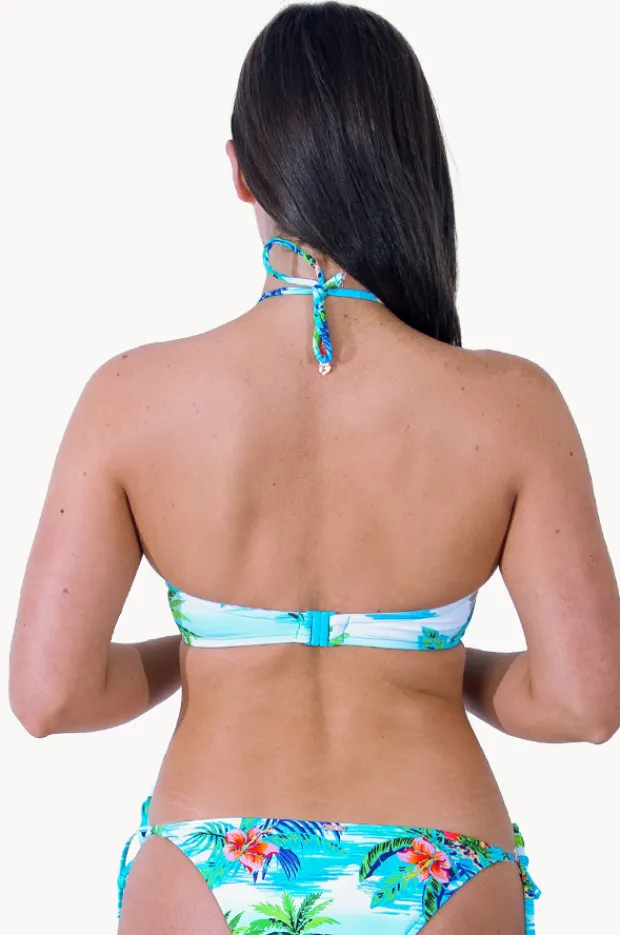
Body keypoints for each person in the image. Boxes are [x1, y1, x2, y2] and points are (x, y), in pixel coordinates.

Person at [9, 2, 620, 933]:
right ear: (411, 162)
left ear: (240, 171)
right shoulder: (512, 405)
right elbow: (585, 702)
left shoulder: (131, 398)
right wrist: (431, 660)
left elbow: (50, 696)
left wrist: (214, 645)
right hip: (443, 863)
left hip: (206, 856)